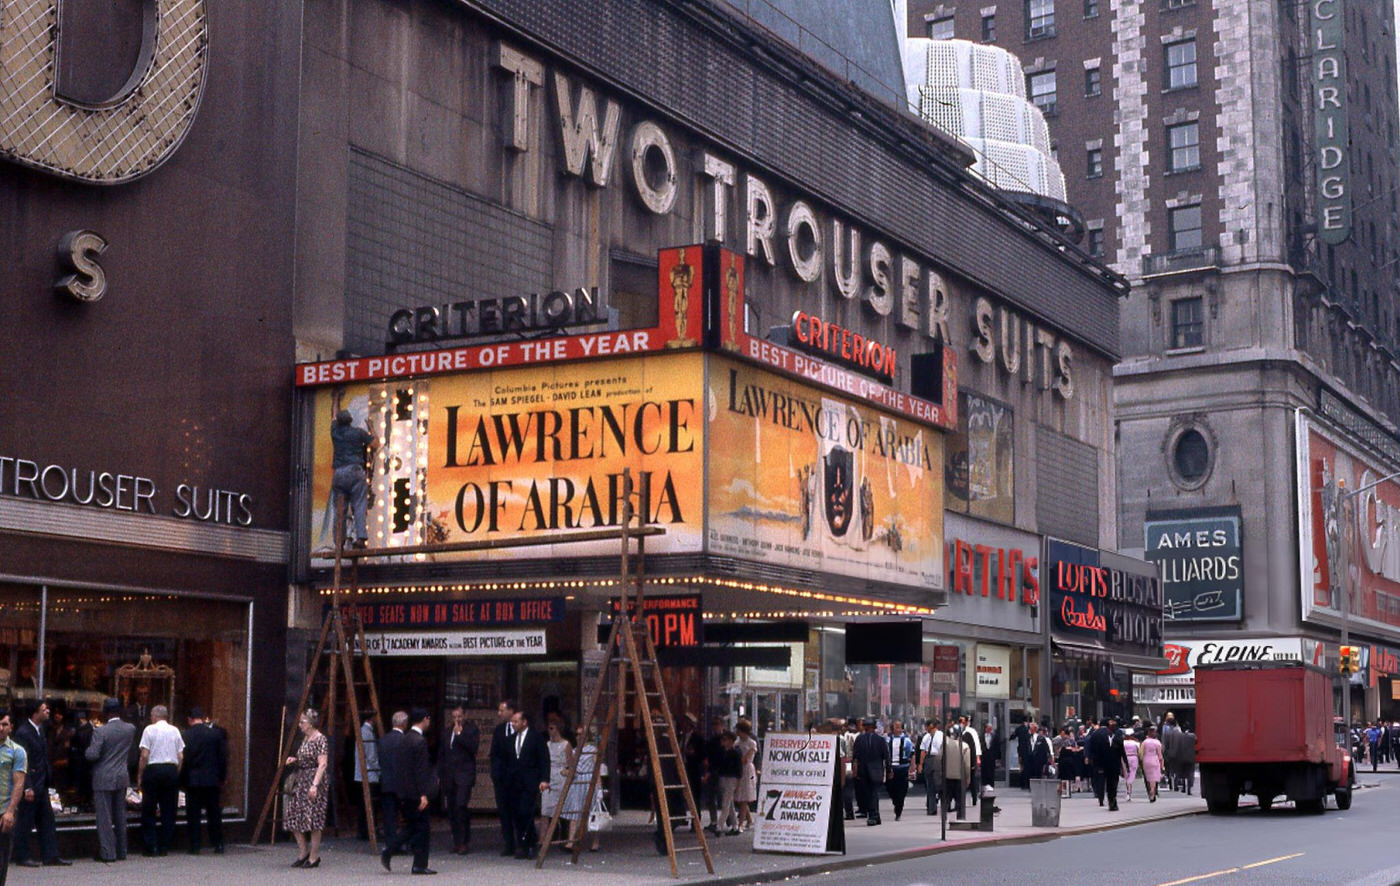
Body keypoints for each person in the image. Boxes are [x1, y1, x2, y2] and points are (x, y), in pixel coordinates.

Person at [10, 701, 67, 867]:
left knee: (47, 820)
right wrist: (26, 786)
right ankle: (22, 855)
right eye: (44, 709)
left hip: (41, 783)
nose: (48, 711)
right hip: (31, 784)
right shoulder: (23, 732)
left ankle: (51, 855)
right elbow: (22, 761)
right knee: (25, 821)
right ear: (35, 713)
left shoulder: (40, 730)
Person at [383, 708, 436, 874]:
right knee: (422, 827)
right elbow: (420, 771)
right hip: (417, 793)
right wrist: (423, 794)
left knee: (415, 826)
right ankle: (417, 863)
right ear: (425, 719)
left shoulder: (404, 739)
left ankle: (394, 851)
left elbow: (403, 769)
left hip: (405, 791)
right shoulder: (419, 741)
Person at [85, 699, 136, 863]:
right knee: (120, 815)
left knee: (105, 817)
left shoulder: (101, 732)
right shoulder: (130, 729)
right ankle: (122, 850)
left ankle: (108, 852)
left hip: (103, 777)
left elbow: (92, 754)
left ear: (106, 712)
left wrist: (86, 750)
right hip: (121, 776)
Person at [137, 705, 184, 857]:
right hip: (171, 770)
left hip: (153, 770)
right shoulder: (175, 730)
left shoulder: (149, 730)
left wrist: (140, 775)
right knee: (169, 809)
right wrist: (176, 771)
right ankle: (164, 845)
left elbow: (144, 755)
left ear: (154, 716)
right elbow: (181, 756)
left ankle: (151, 846)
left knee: (149, 808)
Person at [284, 709, 328, 868]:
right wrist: (295, 760)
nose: (300, 725)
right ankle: (303, 852)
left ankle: (314, 857)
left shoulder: (320, 739)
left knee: (314, 818)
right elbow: (305, 759)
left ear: (310, 723)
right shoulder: (306, 738)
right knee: (293, 815)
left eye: (302, 721)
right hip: (301, 780)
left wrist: (315, 785)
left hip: (313, 781)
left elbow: (322, 764)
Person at [503, 710, 549, 860]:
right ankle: (522, 844)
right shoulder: (510, 739)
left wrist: (544, 779)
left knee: (526, 812)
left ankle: (530, 843)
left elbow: (544, 759)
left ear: (524, 722)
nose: (513, 724)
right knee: (516, 814)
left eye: (516, 721)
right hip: (514, 782)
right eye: (512, 722)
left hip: (530, 781)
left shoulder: (536, 738)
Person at [181, 707, 227, 855]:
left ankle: (195, 845)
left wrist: (182, 779)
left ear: (189, 720)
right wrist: (222, 777)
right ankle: (218, 843)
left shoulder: (186, 735)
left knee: (193, 814)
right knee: (214, 813)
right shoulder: (215, 734)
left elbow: (184, 759)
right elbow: (222, 758)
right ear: (203, 718)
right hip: (212, 779)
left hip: (193, 780)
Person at [329, 408, 375, 548]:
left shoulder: (334, 432)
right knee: (359, 505)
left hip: (339, 473)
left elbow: (333, 416)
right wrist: (371, 428)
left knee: (339, 510)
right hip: (355, 471)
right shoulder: (358, 433)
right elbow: (375, 444)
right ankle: (361, 537)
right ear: (351, 420)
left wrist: (336, 397)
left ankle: (339, 542)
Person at [439, 704, 477, 855]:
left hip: (464, 775)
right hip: (449, 775)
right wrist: (439, 774)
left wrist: (460, 735)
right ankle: (456, 840)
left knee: (461, 805)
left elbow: (473, 748)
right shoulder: (447, 732)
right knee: (452, 808)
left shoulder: (471, 730)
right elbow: (442, 754)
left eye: (459, 717)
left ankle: (464, 841)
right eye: (454, 717)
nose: (457, 720)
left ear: (465, 716)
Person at [562, 726, 601, 853]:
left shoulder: (592, 750)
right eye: (577, 734)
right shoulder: (573, 751)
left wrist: (599, 787)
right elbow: (570, 767)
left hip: (589, 780)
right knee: (575, 811)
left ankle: (595, 841)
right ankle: (570, 841)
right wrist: (565, 771)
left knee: (592, 812)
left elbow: (596, 768)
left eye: (581, 734)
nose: (578, 737)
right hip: (577, 781)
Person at [0, 711, 29, 884]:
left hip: (3, 812)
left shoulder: (17, 752)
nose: (0, 728)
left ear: (10, 727)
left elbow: (19, 783)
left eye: (4, 724)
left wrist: (10, 812)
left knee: (1, 860)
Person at [489, 699, 519, 857]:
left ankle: (522, 842)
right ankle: (509, 843)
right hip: (501, 778)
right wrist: (495, 773)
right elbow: (494, 753)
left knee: (519, 810)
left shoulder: (522, 729)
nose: (499, 713)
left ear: (511, 710)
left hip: (517, 777)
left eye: (502, 710)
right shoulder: (499, 730)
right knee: (504, 811)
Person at [377, 712, 407, 856]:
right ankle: (402, 842)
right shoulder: (405, 740)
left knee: (389, 817)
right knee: (407, 816)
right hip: (402, 785)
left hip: (387, 783)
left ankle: (390, 844)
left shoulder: (383, 740)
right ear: (404, 724)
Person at [537, 715, 571, 845]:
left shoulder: (565, 744)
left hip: (560, 777)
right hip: (549, 776)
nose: (549, 731)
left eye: (552, 728)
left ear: (558, 729)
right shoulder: (547, 744)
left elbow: (570, 764)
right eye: (548, 728)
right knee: (545, 810)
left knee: (562, 809)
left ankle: (562, 835)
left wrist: (566, 772)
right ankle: (543, 839)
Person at [851, 717, 890, 825]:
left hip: (863, 771)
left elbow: (855, 757)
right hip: (877, 771)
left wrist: (855, 770)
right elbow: (886, 757)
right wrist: (889, 770)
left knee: (869, 794)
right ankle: (875, 815)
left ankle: (873, 815)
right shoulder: (880, 740)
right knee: (873, 793)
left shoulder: (860, 739)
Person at [352, 710, 381, 842]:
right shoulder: (367, 733)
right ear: (372, 719)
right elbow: (371, 756)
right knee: (370, 804)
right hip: (369, 774)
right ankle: (368, 831)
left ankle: (363, 831)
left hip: (360, 774)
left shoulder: (361, 731)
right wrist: (379, 771)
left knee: (362, 805)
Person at [884, 720, 914, 820]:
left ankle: (898, 810)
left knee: (902, 791)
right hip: (891, 768)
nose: (897, 728)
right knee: (890, 788)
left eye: (899, 726)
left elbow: (912, 755)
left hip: (903, 768)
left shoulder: (907, 740)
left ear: (902, 728)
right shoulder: (887, 739)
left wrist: (912, 769)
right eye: (895, 726)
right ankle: (895, 801)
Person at [701, 717, 726, 834]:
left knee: (723, 797)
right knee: (713, 797)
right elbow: (709, 756)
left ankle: (727, 820)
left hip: (721, 771)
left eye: (717, 725)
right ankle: (714, 820)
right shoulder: (712, 741)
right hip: (714, 770)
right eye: (714, 725)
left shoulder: (724, 740)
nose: (715, 727)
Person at [734, 720, 758, 832]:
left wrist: (738, 759)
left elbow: (747, 758)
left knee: (744, 797)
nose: (737, 732)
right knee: (740, 796)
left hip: (747, 770)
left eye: (738, 730)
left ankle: (740, 824)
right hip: (738, 769)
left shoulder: (751, 743)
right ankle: (749, 819)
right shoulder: (737, 742)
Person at [715, 731, 741, 835]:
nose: (723, 742)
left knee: (725, 803)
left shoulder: (736, 752)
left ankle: (719, 826)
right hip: (724, 777)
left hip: (731, 778)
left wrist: (738, 781)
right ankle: (735, 826)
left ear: (730, 741)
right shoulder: (723, 752)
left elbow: (739, 769)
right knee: (729, 803)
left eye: (725, 740)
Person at [916, 718, 944, 815]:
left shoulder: (941, 735)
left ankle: (944, 804)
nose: (926, 728)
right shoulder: (926, 737)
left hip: (938, 759)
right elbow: (923, 751)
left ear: (931, 726)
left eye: (927, 726)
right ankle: (932, 808)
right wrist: (920, 764)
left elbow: (943, 749)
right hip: (929, 759)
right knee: (930, 785)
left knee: (940, 784)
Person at [839, 719, 860, 819]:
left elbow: (845, 755)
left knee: (846, 789)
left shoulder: (842, 738)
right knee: (847, 790)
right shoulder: (846, 737)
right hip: (848, 764)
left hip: (845, 765)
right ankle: (849, 812)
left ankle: (849, 812)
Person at [1141, 725, 1166, 803]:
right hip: (1154, 760)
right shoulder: (1157, 742)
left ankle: (1150, 792)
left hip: (1146, 760)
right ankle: (1152, 792)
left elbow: (1141, 753)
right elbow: (1160, 756)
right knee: (1154, 778)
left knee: (1148, 778)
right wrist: (1162, 765)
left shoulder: (1144, 742)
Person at [1122, 726, 1142, 802]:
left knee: (1126, 774)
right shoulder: (1136, 743)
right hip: (1134, 758)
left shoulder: (1123, 743)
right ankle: (1129, 791)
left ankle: (1128, 792)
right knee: (1132, 774)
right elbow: (1139, 752)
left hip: (1125, 758)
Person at [1012, 717, 1031, 789]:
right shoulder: (1028, 729)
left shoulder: (1019, 729)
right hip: (1027, 751)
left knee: (1022, 767)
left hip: (1021, 751)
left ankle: (1022, 784)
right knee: (1027, 768)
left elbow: (1013, 736)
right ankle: (1026, 783)